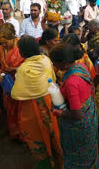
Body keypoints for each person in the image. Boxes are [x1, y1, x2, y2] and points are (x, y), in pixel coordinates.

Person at [11, 36, 63, 169]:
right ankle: (61, 163)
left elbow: (17, 93)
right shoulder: (46, 59)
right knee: (55, 134)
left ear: (22, 52)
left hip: (31, 107)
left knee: (38, 137)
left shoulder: (23, 69)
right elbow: (51, 77)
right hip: (50, 101)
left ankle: (46, 164)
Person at [49, 43, 99, 168]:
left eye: (54, 63)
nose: (53, 65)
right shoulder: (80, 66)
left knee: (78, 157)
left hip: (79, 127)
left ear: (63, 62)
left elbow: (77, 115)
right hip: (90, 119)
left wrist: (59, 112)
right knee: (90, 153)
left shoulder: (72, 82)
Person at [0, 25, 24, 139]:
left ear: (13, 38)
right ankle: (14, 133)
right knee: (10, 109)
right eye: (1, 43)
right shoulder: (1, 48)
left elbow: (29, 65)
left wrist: (15, 69)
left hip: (21, 83)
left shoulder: (21, 47)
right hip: (6, 82)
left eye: (5, 42)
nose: (3, 45)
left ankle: (23, 134)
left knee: (21, 110)